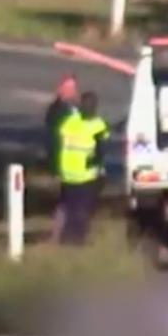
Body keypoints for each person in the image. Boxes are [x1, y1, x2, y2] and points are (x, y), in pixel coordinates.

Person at [57, 91, 108, 245]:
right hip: (85, 175)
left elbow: (61, 141)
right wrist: (99, 169)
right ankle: (77, 240)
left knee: (69, 209)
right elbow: (100, 152)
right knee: (82, 211)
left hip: (67, 174)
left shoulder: (70, 122)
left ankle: (66, 239)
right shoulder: (98, 126)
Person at [45, 74, 77, 243]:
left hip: (75, 164)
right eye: (69, 88)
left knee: (71, 200)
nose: (73, 91)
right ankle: (59, 237)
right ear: (60, 89)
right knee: (65, 201)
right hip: (63, 162)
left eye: (74, 88)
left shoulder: (72, 108)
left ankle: (66, 235)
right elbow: (54, 140)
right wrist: (56, 165)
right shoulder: (57, 111)